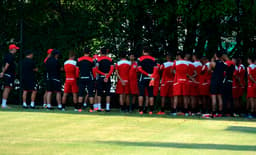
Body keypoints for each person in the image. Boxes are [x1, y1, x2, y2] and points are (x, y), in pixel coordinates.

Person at [137, 47, 157, 115]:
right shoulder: (153, 59)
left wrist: (147, 74)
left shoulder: (140, 59)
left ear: (143, 51)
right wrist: (152, 76)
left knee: (141, 94)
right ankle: (151, 110)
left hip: (143, 77)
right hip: (151, 78)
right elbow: (155, 69)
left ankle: (140, 110)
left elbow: (139, 69)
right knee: (151, 94)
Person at [206, 50, 226, 118]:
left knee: (214, 97)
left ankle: (213, 113)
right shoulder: (223, 63)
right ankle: (220, 113)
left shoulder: (212, 63)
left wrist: (212, 70)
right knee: (220, 97)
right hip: (221, 81)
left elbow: (208, 71)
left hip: (214, 81)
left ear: (215, 55)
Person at [171, 51, 191, 116]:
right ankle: (186, 112)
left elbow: (172, 71)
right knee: (185, 97)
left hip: (177, 81)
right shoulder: (187, 63)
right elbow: (188, 73)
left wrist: (176, 73)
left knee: (176, 97)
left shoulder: (176, 62)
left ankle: (174, 111)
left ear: (179, 56)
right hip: (185, 81)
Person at [77, 47, 96, 112]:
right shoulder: (92, 60)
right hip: (89, 78)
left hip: (81, 78)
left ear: (83, 52)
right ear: (89, 52)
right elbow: (94, 70)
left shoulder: (79, 59)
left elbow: (77, 70)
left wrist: (77, 77)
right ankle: (91, 109)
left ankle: (79, 109)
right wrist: (95, 78)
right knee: (90, 93)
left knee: (80, 93)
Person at [0, 44, 19, 108]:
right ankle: (3, 104)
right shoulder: (10, 56)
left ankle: (4, 103)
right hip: (9, 75)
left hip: (8, 74)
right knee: (7, 89)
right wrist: (3, 72)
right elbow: (7, 65)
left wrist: (3, 72)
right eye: (15, 49)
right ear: (12, 49)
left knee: (7, 88)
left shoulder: (6, 55)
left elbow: (3, 65)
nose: (16, 50)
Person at [95, 48, 114, 112]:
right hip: (107, 78)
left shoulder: (98, 60)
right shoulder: (110, 60)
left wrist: (103, 74)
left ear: (100, 52)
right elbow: (112, 69)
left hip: (100, 77)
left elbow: (96, 70)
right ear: (106, 52)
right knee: (108, 93)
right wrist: (107, 76)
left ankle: (99, 107)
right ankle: (107, 108)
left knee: (99, 93)